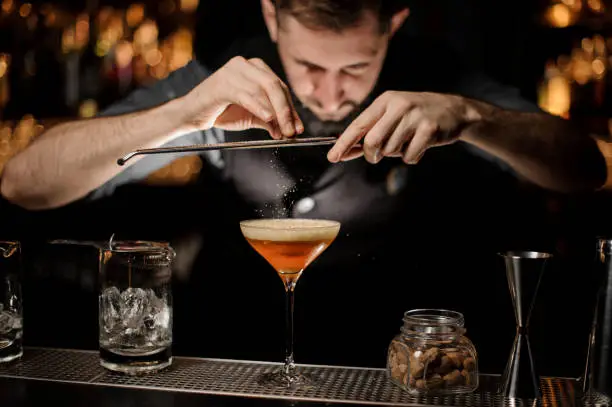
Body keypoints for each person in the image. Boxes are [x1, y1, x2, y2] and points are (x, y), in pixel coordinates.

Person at [0, 0, 605, 373]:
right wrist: (180, 115)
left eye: (355, 69)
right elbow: (23, 185)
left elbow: (585, 170)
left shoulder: (440, 78)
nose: (329, 93)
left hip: (389, 361)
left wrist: (476, 117)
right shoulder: (220, 80)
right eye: (309, 67)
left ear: (393, 25)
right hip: (229, 355)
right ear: (271, 17)